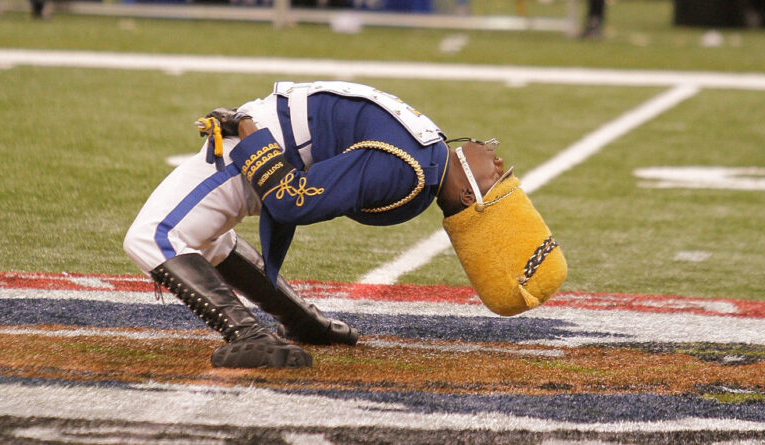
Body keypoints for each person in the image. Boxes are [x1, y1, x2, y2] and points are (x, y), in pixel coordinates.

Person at [123, 81, 556, 370]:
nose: (497, 159)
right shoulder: (426, 159)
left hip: (263, 149)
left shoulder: (410, 170)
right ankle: (305, 322)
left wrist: (247, 127)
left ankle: (247, 333)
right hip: (278, 143)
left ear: (468, 197)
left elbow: (291, 200)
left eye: (497, 175)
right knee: (204, 238)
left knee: (153, 236)